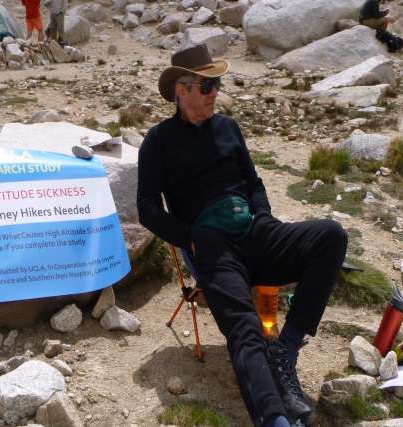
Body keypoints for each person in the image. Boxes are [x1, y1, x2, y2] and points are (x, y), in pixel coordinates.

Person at [137, 44, 348, 427]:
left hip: (255, 230)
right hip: (212, 247)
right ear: (181, 90)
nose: (215, 92)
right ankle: (275, 419)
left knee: (330, 236)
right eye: (207, 85)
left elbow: (254, 182)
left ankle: (284, 350)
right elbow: (148, 208)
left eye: (217, 83)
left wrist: (263, 216)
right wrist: (191, 239)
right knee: (245, 328)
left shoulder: (228, 128)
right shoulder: (158, 141)